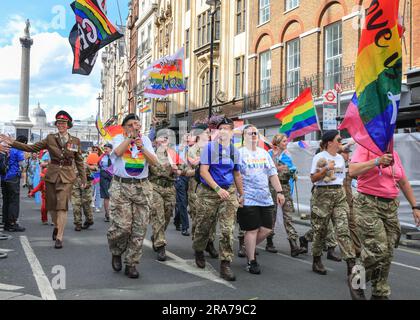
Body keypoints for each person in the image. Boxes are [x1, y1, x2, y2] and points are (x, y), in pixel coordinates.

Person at [0, 111, 86, 249]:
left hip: (67, 176)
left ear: (68, 125)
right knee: (51, 207)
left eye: (63, 123)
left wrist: (83, 177)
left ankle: (59, 237)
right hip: (52, 175)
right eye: (59, 123)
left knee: (62, 206)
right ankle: (57, 226)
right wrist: (13, 143)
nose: (61, 125)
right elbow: (31, 148)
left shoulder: (75, 141)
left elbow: (79, 161)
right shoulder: (50, 138)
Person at [349, 144, 420, 300]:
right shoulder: (365, 148)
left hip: (390, 207)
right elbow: (352, 171)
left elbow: (403, 182)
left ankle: (379, 292)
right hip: (368, 203)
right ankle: (356, 280)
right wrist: (377, 161)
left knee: (387, 252)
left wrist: (415, 206)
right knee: (377, 249)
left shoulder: (393, 153)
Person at [310, 130, 363, 300]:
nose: (340, 142)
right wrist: (326, 169)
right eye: (338, 139)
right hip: (322, 195)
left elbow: (345, 172)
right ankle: (316, 259)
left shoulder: (340, 157)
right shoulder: (319, 156)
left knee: (343, 229)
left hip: (339, 195)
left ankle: (351, 266)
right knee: (321, 231)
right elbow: (313, 178)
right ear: (329, 142)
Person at [192, 117, 244, 281]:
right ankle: (199, 250)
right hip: (209, 192)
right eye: (221, 128)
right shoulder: (209, 148)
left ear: (231, 132)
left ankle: (225, 264)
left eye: (227, 128)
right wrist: (217, 189)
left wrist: (242, 194)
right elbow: (204, 172)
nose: (224, 131)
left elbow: (236, 173)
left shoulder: (235, 151)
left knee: (227, 229)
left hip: (228, 192)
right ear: (217, 131)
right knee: (203, 226)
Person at [107, 113, 157, 279]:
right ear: (124, 127)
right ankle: (116, 251)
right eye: (131, 125)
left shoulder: (146, 141)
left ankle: (132, 263)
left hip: (142, 188)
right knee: (122, 227)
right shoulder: (118, 138)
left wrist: (142, 147)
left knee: (139, 227)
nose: (135, 127)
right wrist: (129, 138)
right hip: (121, 187)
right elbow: (119, 152)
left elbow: (154, 162)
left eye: (137, 124)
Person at [238, 125, 285, 274]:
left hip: (265, 198)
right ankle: (252, 261)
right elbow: (235, 175)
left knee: (266, 229)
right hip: (248, 197)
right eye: (250, 133)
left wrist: (279, 192)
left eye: (256, 133)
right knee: (251, 229)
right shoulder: (239, 153)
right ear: (244, 136)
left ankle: (247, 246)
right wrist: (239, 195)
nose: (253, 135)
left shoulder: (264, 153)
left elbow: (272, 174)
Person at [268, 133, 306, 257]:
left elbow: (291, 168)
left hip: (285, 187)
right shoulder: (269, 154)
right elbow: (266, 169)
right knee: (272, 215)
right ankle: (269, 241)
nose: (286, 143)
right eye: (284, 141)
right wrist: (278, 168)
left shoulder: (287, 155)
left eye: (286, 141)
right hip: (272, 188)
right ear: (277, 143)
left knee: (288, 216)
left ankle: (294, 245)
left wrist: (292, 172)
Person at [187, 124, 218, 259]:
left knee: (212, 218)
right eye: (206, 132)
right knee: (198, 216)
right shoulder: (193, 149)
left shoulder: (214, 147)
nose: (208, 134)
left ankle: (209, 242)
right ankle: (198, 244)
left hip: (211, 185)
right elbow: (193, 163)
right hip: (196, 186)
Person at [149, 133, 178, 261]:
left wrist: (179, 170)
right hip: (155, 187)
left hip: (170, 188)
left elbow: (183, 169)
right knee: (158, 215)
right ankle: (160, 245)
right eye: (160, 141)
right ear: (155, 142)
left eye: (165, 141)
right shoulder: (151, 155)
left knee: (167, 215)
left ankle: (156, 234)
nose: (163, 143)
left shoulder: (173, 155)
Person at [1, 135, 28, 232]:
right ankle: (12, 223)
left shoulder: (8, 148)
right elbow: (22, 164)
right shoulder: (18, 150)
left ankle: (6, 222)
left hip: (4, 177)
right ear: (23, 143)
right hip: (13, 177)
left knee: (6, 200)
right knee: (14, 201)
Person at [71, 157, 95, 231]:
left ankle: (89, 220)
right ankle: (78, 223)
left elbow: (95, 167)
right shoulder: (69, 160)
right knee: (76, 204)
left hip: (86, 183)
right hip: (74, 183)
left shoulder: (86, 158)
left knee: (86, 203)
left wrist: (87, 165)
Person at [98, 143, 113, 222]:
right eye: (104, 148)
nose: (105, 150)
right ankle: (107, 214)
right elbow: (98, 165)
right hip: (104, 176)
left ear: (111, 149)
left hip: (113, 176)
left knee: (114, 196)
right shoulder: (102, 157)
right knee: (106, 196)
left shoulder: (114, 156)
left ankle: (113, 214)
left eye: (107, 148)